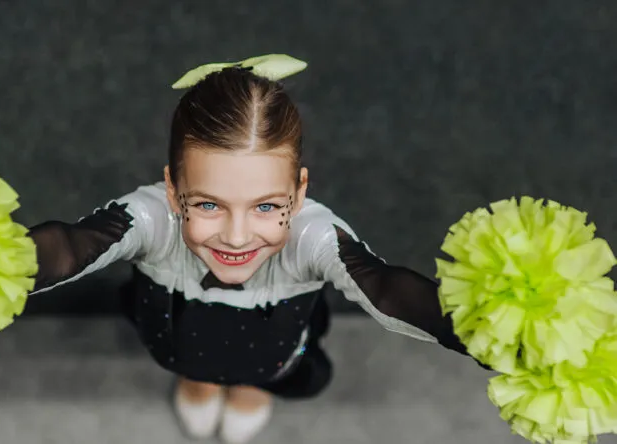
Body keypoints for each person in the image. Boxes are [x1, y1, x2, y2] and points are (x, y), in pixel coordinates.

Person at [26, 55, 485, 444]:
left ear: (299, 194)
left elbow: (385, 289)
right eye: (208, 204)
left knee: (277, 371)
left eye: (266, 206)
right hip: (176, 335)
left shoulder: (314, 235)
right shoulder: (150, 217)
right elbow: (70, 247)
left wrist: (489, 333)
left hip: (276, 352)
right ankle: (198, 379)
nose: (238, 237)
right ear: (171, 189)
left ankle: (253, 388)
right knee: (193, 360)